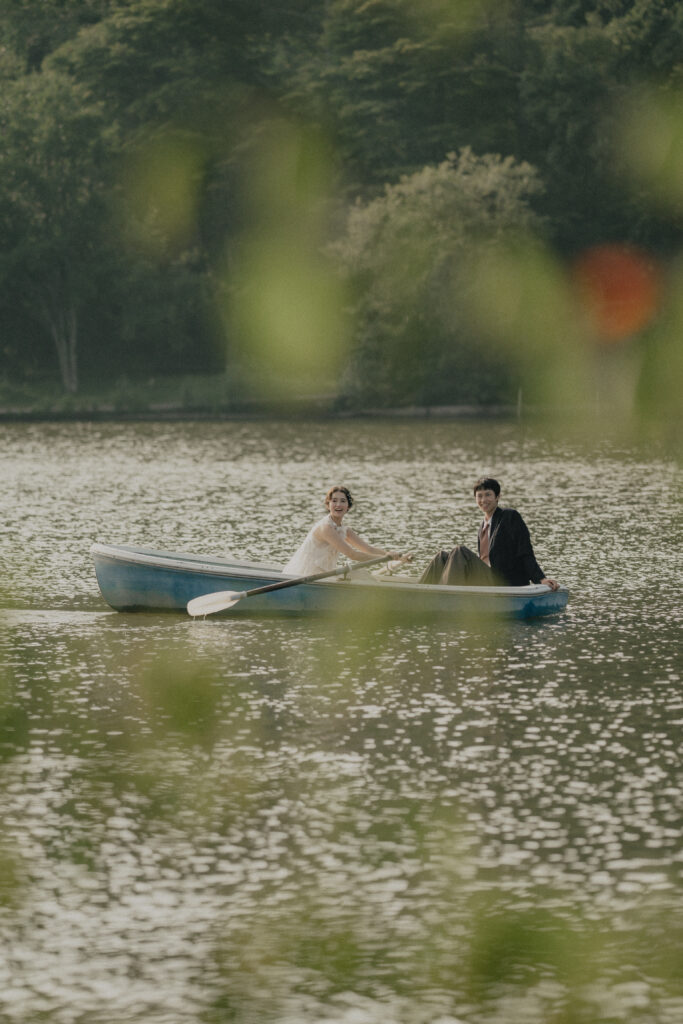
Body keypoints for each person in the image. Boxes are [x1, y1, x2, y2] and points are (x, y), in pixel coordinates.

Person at [419, 477, 560, 590]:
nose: (483, 500)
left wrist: (540, 579)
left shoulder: (509, 516)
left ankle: (444, 598)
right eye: (479, 496)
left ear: (497, 496)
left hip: (502, 583)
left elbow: (525, 551)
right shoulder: (483, 526)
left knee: (459, 551)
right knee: (441, 557)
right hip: (485, 580)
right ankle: (418, 596)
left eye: (488, 495)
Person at [283, 485, 404, 576]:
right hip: (306, 575)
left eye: (343, 501)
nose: (338, 505)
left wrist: (394, 556)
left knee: (359, 574)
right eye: (334, 501)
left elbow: (368, 549)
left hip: (324, 575)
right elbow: (352, 554)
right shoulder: (326, 528)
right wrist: (386, 558)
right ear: (328, 505)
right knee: (358, 574)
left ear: (348, 506)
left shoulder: (344, 529)